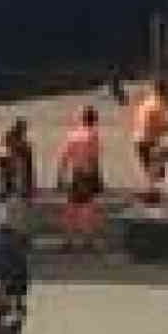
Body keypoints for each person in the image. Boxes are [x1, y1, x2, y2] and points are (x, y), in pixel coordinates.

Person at [56, 106, 105, 252]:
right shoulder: (93, 135)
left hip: (74, 173)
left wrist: (60, 175)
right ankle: (87, 240)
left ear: (81, 118)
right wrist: (98, 177)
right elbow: (93, 157)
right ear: (94, 120)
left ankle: (68, 239)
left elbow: (64, 156)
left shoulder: (72, 135)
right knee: (87, 207)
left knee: (71, 207)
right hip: (87, 173)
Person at [131, 81, 168, 192]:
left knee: (150, 168)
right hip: (148, 139)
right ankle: (154, 191)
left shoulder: (146, 102)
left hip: (138, 137)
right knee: (157, 167)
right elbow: (159, 125)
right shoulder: (159, 105)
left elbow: (139, 120)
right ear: (164, 92)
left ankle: (152, 189)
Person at [2, 119, 37, 201]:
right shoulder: (13, 138)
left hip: (19, 165)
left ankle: (21, 192)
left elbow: (28, 166)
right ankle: (11, 191)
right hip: (15, 164)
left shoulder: (25, 146)